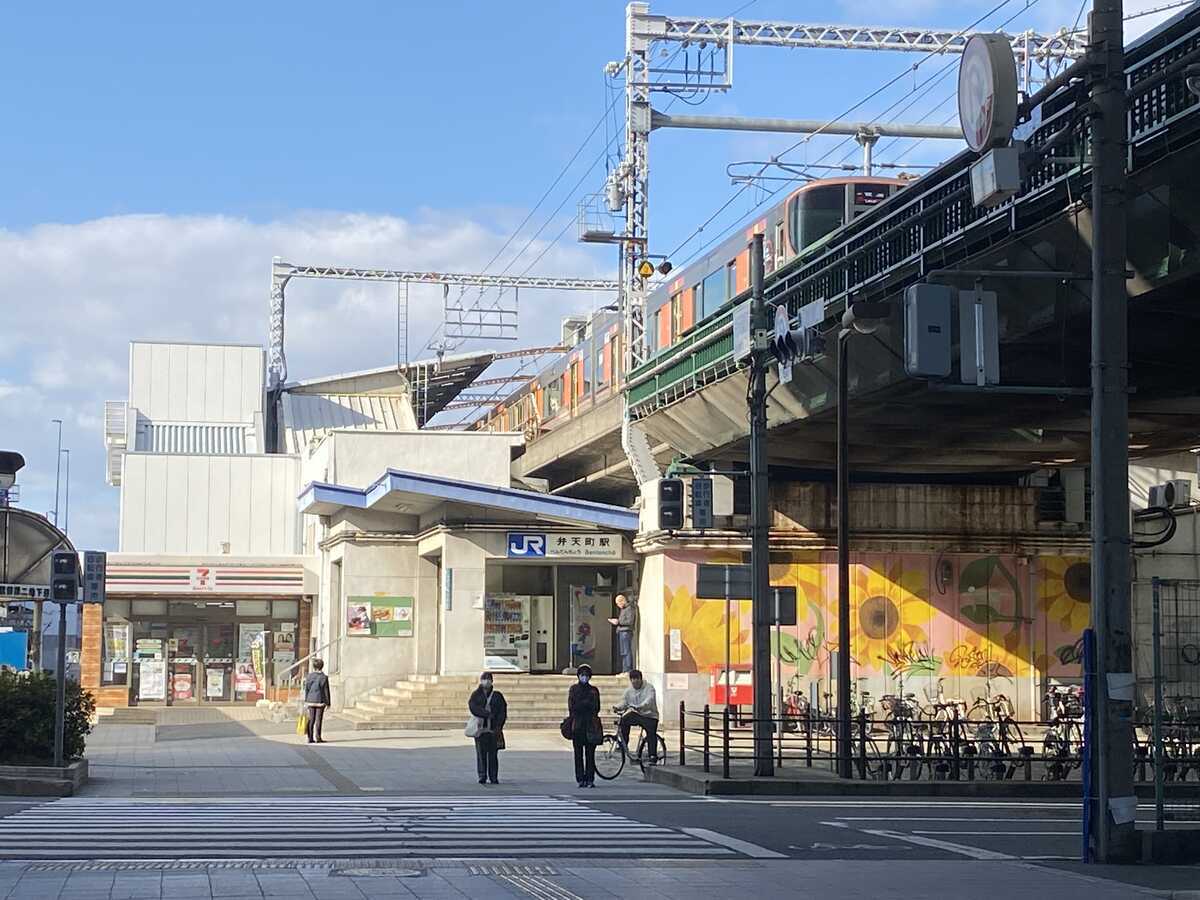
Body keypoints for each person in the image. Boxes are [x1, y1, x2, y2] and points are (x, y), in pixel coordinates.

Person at [468, 672, 507, 785]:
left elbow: (502, 711)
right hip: (480, 730)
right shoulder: (476, 695)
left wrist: (499, 725)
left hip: (493, 730)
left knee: (493, 754)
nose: (487, 681)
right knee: (481, 754)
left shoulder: (497, 696)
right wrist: (485, 714)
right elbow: (473, 707)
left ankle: (493, 776)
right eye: (484, 679)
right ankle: (482, 775)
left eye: (489, 679)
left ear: (492, 681)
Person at [615, 669, 660, 764]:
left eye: (637, 680)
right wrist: (617, 707)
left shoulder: (649, 688)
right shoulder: (629, 690)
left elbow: (649, 701)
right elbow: (624, 702)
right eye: (633, 681)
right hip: (637, 714)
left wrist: (640, 706)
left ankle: (653, 755)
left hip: (650, 715)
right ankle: (624, 743)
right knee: (624, 720)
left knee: (651, 733)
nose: (635, 683)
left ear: (641, 679)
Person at [568, 663, 601, 788]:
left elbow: (596, 707)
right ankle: (580, 778)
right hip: (577, 725)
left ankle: (590, 778)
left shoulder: (594, 690)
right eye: (582, 675)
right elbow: (572, 707)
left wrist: (583, 705)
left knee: (590, 754)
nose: (584, 677)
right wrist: (585, 704)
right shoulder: (574, 689)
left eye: (586, 675)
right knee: (578, 754)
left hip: (591, 725)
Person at [302, 658, 331, 744]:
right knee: (318, 719)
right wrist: (328, 702)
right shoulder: (324, 677)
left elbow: (306, 689)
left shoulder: (309, 676)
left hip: (310, 700)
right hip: (320, 701)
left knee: (311, 719)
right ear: (322, 666)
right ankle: (318, 737)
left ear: (314, 667)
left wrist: (306, 700)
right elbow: (326, 691)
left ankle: (310, 738)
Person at [607, 594, 636, 673]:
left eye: (618, 603)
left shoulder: (629, 608)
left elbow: (630, 621)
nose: (618, 605)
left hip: (626, 632)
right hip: (621, 631)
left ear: (622, 601)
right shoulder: (623, 609)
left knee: (626, 651)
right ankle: (624, 670)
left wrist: (618, 622)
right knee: (623, 652)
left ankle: (628, 670)